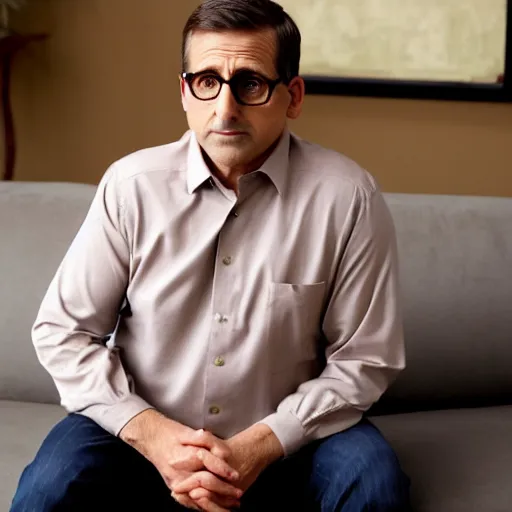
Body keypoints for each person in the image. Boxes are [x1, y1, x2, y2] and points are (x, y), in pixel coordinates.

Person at [10, 0, 411, 511]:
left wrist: (259, 445)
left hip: (290, 442)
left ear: (293, 95)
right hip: (139, 434)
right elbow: (63, 332)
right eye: (206, 81)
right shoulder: (131, 188)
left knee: (374, 483)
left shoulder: (348, 198)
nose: (224, 108)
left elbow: (364, 358)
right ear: (184, 91)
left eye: (249, 83)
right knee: (48, 491)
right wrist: (154, 436)